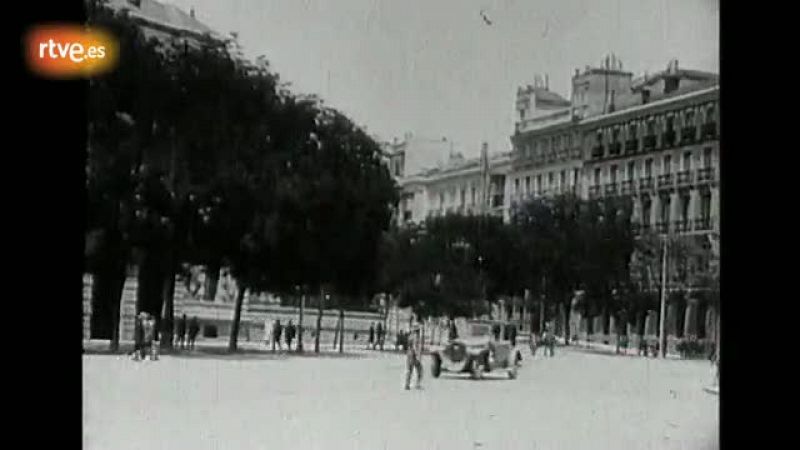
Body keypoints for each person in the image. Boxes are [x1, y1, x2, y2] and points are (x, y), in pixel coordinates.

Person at [404, 325, 424, 390]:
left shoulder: (410, 336)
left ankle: (407, 385)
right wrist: (418, 355)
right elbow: (415, 346)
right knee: (420, 370)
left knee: (409, 370)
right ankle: (417, 384)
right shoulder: (416, 337)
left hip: (409, 354)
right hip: (413, 355)